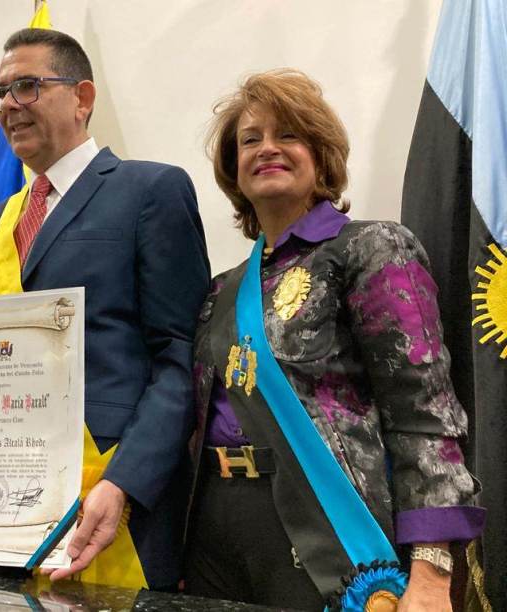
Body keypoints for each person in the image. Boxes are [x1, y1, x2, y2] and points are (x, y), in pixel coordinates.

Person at [0, 28, 210, 589]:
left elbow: (182, 357)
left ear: (82, 97)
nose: (9, 106)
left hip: (112, 491)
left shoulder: (151, 189)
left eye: (27, 86)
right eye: (1, 93)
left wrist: (125, 481)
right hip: (8, 492)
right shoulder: (0, 219)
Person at [186, 69, 484, 611]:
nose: (267, 148)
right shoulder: (222, 290)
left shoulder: (371, 248)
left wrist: (432, 571)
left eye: (288, 134)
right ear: (234, 169)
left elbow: (424, 413)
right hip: (214, 531)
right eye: (250, 140)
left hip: (321, 533)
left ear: (321, 157)